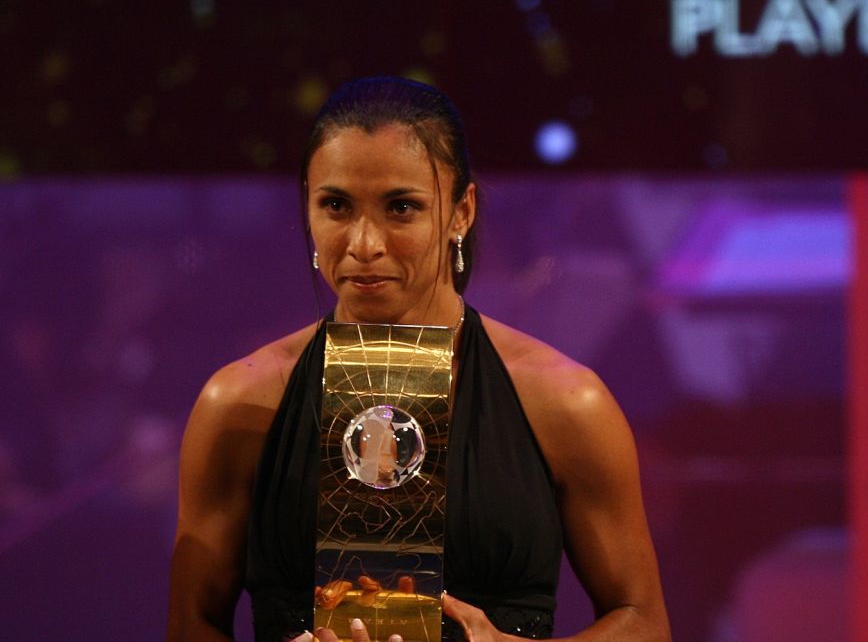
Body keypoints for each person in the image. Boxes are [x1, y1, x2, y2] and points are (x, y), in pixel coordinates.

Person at [167, 77, 670, 642]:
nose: (363, 244)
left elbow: (644, 622)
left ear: (462, 212)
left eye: (401, 207)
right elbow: (192, 623)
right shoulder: (239, 401)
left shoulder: (563, 402)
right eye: (335, 205)